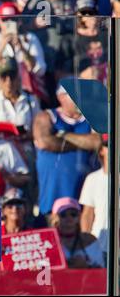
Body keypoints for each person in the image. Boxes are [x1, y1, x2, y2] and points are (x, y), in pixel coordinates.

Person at [33, 79, 101, 218]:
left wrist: (64, 135)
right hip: (51, 204)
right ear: (60, 97)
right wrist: (82, 143)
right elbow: (44, 142)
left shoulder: (91, 118)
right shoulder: (47, 116)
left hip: (83, 203)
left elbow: (96, 142)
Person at [0, 2, 46, 93]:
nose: (9, 23)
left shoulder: (30, 38)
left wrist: (22, 48)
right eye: (5, 20)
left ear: (19, 21)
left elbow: (40, 70)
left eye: (13, 19)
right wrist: (1, 47)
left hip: (27, 93)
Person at [51, 197, 105, 268]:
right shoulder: (47, 244)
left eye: (73, 214)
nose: (69, 220)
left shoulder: (90, 241)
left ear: (79, 217)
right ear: (54, 218)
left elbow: (102, 272)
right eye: (63, 215)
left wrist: (86, 266)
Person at [79, 133, 108, 257]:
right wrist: (85, 244)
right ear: (101, 150)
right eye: (108, 145)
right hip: (99, 244)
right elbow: (87, 214)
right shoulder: (92, 179)